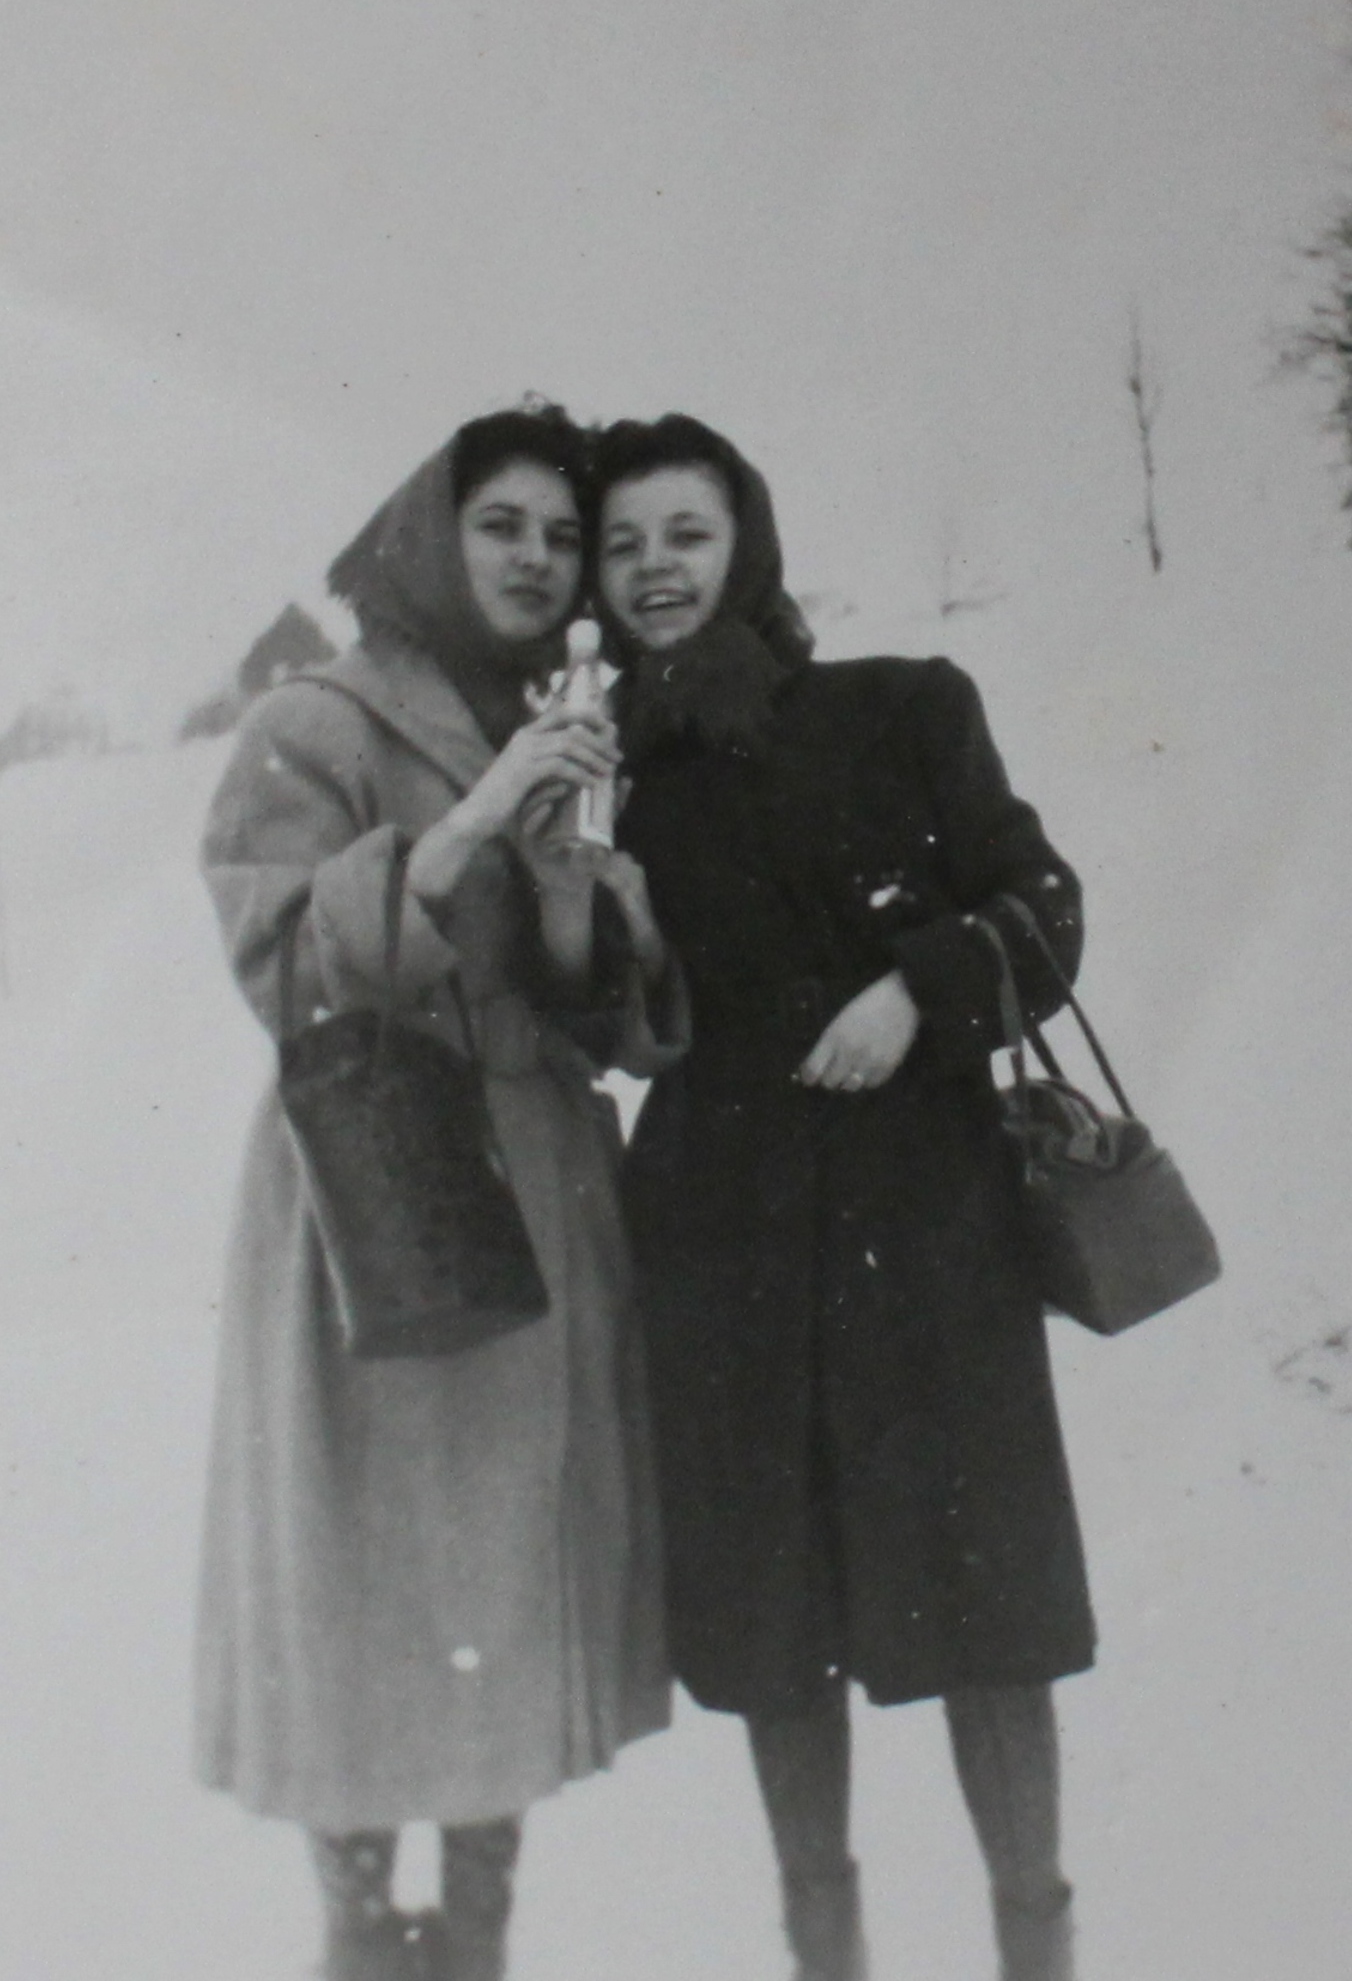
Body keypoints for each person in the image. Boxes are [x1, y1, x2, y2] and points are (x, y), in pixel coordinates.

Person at [591, 413, 1093, 1981]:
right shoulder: (613, 776)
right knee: (779, 1621)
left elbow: (1045, 906)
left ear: (747, 541)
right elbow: (616, 1017)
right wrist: (607, 906)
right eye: (624, 545)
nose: (655, 568)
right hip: (725, 1246)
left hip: (922, 1230)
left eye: (686, 532)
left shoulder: (902, 707)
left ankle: (1037, 1949)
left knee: (986, 1609)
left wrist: (915, 991)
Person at [195, 406, 681, 1981]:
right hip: (373, 1191)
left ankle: (475, 1943)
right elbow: (283, 965)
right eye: (502, 526)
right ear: (430, 535)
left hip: (531, 1186)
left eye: (561, 536)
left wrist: (576, 899)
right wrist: (470, 823)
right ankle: (356, 1937)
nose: (537, 558)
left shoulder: (574, 717)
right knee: (363, 1595)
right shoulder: (314, 719)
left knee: (500, 1602)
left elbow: (596, 1015)